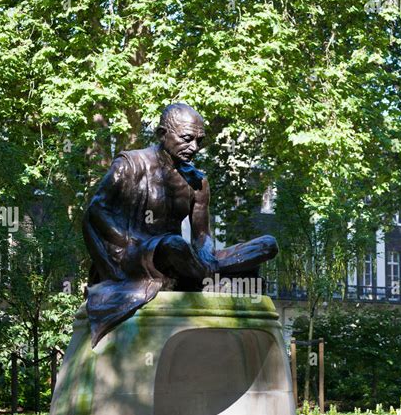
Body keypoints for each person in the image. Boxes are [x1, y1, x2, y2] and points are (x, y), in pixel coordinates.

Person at [83, 102, 278, 346]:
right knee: (175, 245)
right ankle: (212, 276)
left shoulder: (198, 182)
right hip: (138, 253)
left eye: (199, 141)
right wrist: (128, 246)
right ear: (162, 134)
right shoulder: (130, 164)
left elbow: (202, 235)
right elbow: (97, 212)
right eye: (187, 139)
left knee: (267, 245)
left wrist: (206, 254)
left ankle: (205, 273)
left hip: (182, 259)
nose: (194, 147)